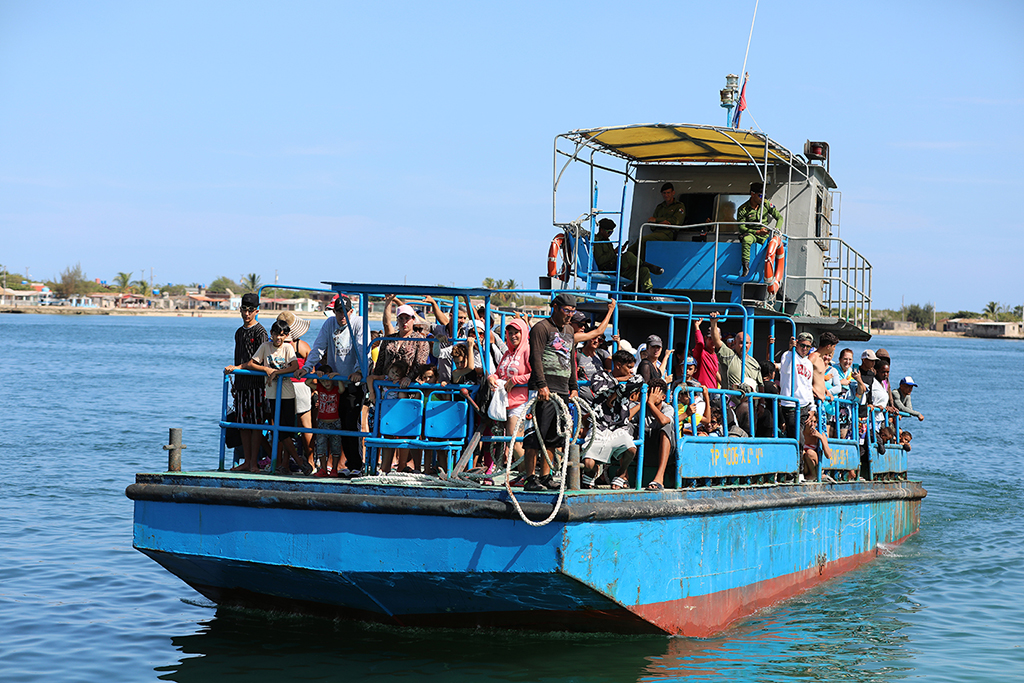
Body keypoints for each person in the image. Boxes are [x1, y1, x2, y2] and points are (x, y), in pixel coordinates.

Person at [296, 294, 365, 472]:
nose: (342, 316)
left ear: (351, 311)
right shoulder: (330, 324)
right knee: (336, 424)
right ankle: (339, 466)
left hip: (352, 383)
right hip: (334, 384)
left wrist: (358, 371)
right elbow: (319, 346)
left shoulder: (359, 323)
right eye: (338, 312)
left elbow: (361, 348)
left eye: (345, 312)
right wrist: (307, 367)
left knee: (351, 423)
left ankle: (356, 465)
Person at [522, 293, 579, 492]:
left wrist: (574, 387)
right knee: (534, 434)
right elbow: (535, 358)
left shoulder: (570, 330)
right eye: (566, 311)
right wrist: (541, 384)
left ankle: (545, 477)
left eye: (573, 311)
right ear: (555, 307)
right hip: (543, 389)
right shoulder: (541, 328)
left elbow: (571, 360)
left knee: (554, 436)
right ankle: (530, 478)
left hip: (562, 389)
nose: (570, 315)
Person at [242, 320, 305, 474]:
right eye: (276, 334)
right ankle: (296, 461)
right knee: (279, 429)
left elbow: (294, 366)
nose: (278, 338)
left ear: (287, 336)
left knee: (287, 430)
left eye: (282, 335)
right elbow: (251, 363)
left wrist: (276, 372)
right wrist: (266, 369)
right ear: (271, 334)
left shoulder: (288, 348)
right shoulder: (265, 347)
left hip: (288, 393)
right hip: (272, 394)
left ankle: (287, 463)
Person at [224, 292, 268, 473]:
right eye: (244, 309)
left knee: (256, 425)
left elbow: (262, 359)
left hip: (257, 385)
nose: (247, 314)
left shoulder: (261, 332)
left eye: (250, 310)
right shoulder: (239, 332)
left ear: (256, 311)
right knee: (242, 424)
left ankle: (253, 463)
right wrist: (235, 379)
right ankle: (247, 461)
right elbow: (238, 355)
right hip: (241, 385)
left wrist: (238, 367)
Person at [581, 377, 644, 490]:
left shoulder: (629, 382)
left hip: (618, 428)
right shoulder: (601, 376)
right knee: (588, 464)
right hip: (599, 427)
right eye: (628, 367)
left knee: (631, 449)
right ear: (618, 365)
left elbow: (639, 380)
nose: (631, 371)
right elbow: (596, 387)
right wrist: (615, 390)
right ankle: (592, 472)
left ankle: (621, 473)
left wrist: (616, 394)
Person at [277, 311, 314, 471]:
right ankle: (311, 462)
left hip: (283, 387)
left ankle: (284, 463)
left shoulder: (277, 345)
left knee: (283, 427)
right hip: (301, 386)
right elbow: (311, 368)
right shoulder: (302, 346)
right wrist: (314, 389)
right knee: (306, 426)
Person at [592, 219, 663, 294]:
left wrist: (619, 253)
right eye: (608, 232)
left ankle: (649, 294)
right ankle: (647, 265)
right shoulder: (597, 241)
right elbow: (600, 260)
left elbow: (611, 256)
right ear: (601, 230)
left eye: (612, 232)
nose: (610, 234)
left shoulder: (607, 241)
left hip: (616, 267)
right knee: (628, 255)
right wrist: (615, 252)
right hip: (608, 268)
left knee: (644, 270)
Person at [736, 181, 784, 277]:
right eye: (760, 196)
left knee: (773, 246)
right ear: (752, 194)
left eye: (764, 196)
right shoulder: (743, 209)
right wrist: (757, 232)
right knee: (746, 239)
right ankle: (745, 268)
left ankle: (776, 277)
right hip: (752, 234)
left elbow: (780, 218)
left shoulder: (766, 204)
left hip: (765, 235)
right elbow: (741, 228)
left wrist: (777, 230)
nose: (763, 199)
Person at [779, 332, 814, 440]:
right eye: (802, 345)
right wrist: (791, 350)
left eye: (808, 346)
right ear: (797, 344)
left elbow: (808, 386)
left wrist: (812, 407)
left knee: (798, 436)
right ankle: (798, 456)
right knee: (797, 438)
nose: (805, 348)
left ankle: (797, 455)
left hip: (804, 405)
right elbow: (785, 370)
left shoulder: (809, 364)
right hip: (791, 405)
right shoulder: (787, 355)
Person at [643, 379, 676, 491]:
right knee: (629, 426)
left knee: (666, 427)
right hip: (646, 447)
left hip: (664, 449)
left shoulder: (668, 408)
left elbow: (663, 420)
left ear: (662, 397)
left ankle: (659, 477)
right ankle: (623, 475)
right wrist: (644, 403)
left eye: (654, 394)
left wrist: (651, 404)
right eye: (649, 394)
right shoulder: (643, 406)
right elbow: (627, 418)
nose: (651, 397)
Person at [690, 315, 720, 390]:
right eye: (710, 338)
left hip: (713, 393)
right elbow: (700, 343)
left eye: (715, 338)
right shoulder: (701, 352)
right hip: (700, 391)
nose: (713, 341)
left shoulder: (718, 356)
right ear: (705, 338)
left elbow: (717, 375)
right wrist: (697, 326)